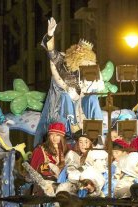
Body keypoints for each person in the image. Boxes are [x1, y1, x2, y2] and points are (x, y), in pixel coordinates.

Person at [34, 17, 104, 146]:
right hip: (65, 96)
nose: (79, 50)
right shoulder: (63, 61)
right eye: (78, 48)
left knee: (93, 98)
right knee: (66, 97)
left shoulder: (90, 67)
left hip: (83, 99)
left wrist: (86, 92)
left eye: (83, 50)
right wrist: (50, 34)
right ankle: (67, 130)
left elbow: (97, 86)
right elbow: (51, 52)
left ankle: (96, 132)